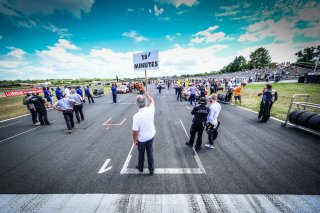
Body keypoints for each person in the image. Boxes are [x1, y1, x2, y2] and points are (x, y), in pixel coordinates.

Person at [132, 91, 156, 175]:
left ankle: (140, 168)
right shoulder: (151, 109)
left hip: (141, 139)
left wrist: (135, 140)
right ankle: (151, 170)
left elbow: (135, 132)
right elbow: (152, 101)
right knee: (150, 153)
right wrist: (148, 94)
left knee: (141, 154)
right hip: (151, 136)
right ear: (145, 103)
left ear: (137, 105)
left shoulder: (136, 116)